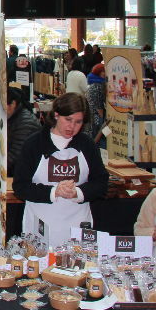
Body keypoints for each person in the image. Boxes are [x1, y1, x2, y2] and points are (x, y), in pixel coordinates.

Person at [12, 93, 108, 247]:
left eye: (78, 122)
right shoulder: (34, 144)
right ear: (56, 115)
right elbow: (20, 187)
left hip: (78, 225)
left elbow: (101, 182)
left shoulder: (87, 145)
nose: (72, 127)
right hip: (40, 226)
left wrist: (78, 192)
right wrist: (54, 192)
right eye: (68, 120)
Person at [6, 87, 41, 177]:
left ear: (13, 104)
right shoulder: (14, 117)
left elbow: (14, 156)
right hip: (16, 170)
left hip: (24, 175)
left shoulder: (25, 123)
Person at [85, 64, 107, 145]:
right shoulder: (98, 86)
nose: (105, 74)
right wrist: (103, 119)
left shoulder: (92, 84)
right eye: (104, 72)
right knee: (99, 137)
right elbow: (98, 106)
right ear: (100, 73)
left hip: (91, 115)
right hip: (96, 116)